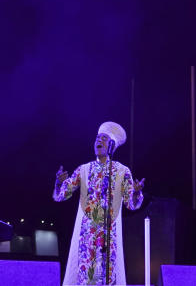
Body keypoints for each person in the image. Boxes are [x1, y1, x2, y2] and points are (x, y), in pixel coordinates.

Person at [53, 122, 145, 285]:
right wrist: (59, 184)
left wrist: (136, 193)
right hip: (87, 234)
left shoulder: (122, 171)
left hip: (109, 235)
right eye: (97, 138)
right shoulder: (84, 169)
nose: (98, 141)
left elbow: (130, 204)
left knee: (107, 275)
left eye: (104, 138)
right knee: (86, 276)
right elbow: (62, 195)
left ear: (112, 145)